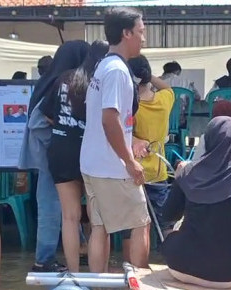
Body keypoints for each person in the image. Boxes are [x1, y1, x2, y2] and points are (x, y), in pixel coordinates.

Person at [80, 7, 149, 272]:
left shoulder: (103, 65)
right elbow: (110, 120)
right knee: (141, 222)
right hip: (112, 167)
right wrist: (130, 161)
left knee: (100, 227)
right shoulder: (118, 71)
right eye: (141, 32)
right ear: (126, 33)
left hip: (92, 162)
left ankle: (99, 289)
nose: (144, 38)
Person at [161, 116, 231, 288]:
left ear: (208, 138)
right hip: (225, 275)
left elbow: (168, 214)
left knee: (175, 231)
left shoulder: (188, 171)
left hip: (179, 266)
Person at [20, 40, 90, 272]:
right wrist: (59, 139)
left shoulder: (50, 81)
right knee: (52, 208)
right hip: (53, 157)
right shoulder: (59, 84)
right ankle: (44, 259)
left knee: (65, 209)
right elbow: (37, 121)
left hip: (52, 155)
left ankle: (71, 250)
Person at [42, 40, 108, 273]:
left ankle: (73, 274)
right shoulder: (101, 82)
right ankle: (97, 275)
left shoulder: (64, 79)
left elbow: (48, 113)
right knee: (96, 218)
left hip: (60, 148)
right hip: (89, 151)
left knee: (69, 217)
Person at [128, 55, 174, 235]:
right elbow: (167, 86)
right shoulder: (165, 100)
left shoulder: (132, 107)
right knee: (165, 224)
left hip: (134, 172)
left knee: (135, 226)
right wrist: (147, 74)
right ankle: (172, 260)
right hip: (158, 172)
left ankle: (134, 262)